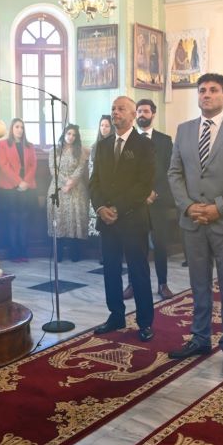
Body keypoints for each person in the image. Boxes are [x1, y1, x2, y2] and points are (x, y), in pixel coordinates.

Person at [167, 73, 223, 375]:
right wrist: (188, 206)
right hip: (193, 222)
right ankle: (200, 338)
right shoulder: (184, 130)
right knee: (199, 285)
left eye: (213, 90)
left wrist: (219, 207)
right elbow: (174, 173)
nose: (206, 94)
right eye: (202, 90)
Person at [89, 96, 156, 342]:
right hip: (107, 220)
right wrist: (100, 208)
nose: (115, 112)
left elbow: (144, 184)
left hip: (132, 219)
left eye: (120, 109)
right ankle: (116, 315)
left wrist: (116, 208)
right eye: (113, 109)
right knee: (111, 270)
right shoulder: (103, 145)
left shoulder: (144, 145)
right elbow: (94, 182)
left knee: (138, 271)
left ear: (132, 115)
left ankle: (145, 322)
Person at [123, 99, 176, 301]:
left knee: (160, 244)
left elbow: (170, 170)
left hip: (158, 201)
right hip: (134, 203)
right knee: (134, 245)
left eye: (146, 111)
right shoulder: (127, 139)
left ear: (153, 114)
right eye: (139, 111)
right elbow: (125, 173)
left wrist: (155, 193)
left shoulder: (164, 140)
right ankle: (133, 284)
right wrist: (138, 195)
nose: (142, 114)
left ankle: (163, 284)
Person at [0, 118, 37, 262]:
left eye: (22, 127)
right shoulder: (3, 144)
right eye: (17, 127)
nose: (20, 129)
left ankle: (23, 252)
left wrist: (25, 182)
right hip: (9, 187)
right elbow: (3, 165)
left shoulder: (30, 146)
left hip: (27, 187)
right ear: (12, 129)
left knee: (24, 219)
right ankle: (14, 253)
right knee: (12, 219)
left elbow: (33, 165)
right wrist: (19, 182)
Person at [48, 124, 89, 262]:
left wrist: (71, 183)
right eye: (69, 134)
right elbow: (53, 169)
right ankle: (58, 255)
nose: (71, 137)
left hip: (76, 189)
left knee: (75, 220)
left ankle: (75, 254)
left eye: (74, 135)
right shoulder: (54, 150)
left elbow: (81, 168)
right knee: (58, 219)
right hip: (58, 188)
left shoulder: (80, 151)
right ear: (64, 134)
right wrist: (65, 182)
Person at [88, 115, 113, 249]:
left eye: (107, 126)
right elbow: (91, 169)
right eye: (102, 125)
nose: (104, 128)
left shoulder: (115, 144)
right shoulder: (95, 146)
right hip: (97, 188)